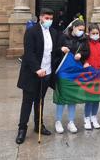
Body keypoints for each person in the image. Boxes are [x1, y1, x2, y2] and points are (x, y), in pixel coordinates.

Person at [16, 8, 60, 144]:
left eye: (51, 18)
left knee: (40, 101)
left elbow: (52, 51)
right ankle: (22, 129)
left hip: (47, 73)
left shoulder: (53, 32)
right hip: (32, 73)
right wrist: (37, 68)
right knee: (27, 101)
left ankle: (38, 125)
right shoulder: (31, 32)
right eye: (47, 18)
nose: (49, 21)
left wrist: (61, 49)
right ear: (41, 17)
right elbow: (29, 53)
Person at [54, 19, 88, 134]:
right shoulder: (63, 37)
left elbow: (87, 51)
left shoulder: (84, 39)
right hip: (63, 70)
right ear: (73, 28)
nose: (81, 32)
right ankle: (58, 121)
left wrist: (81, 54)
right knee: (62, 96)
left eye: (83, 30)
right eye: (79, 29)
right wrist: (61, 49)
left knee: (72, 96)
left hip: (76, 71)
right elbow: (53, 50)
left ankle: (71, 121)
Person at [82, 23, 100, 130]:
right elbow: (83, 55)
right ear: (89, 34)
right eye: (93, 33)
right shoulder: (86, 44)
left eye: (97, 33)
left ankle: (94, 116)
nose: (95, 35)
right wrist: (85, 63)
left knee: (97, 96)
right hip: (89, 73)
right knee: (89, 96)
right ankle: (87, 117)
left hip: (99, 72)